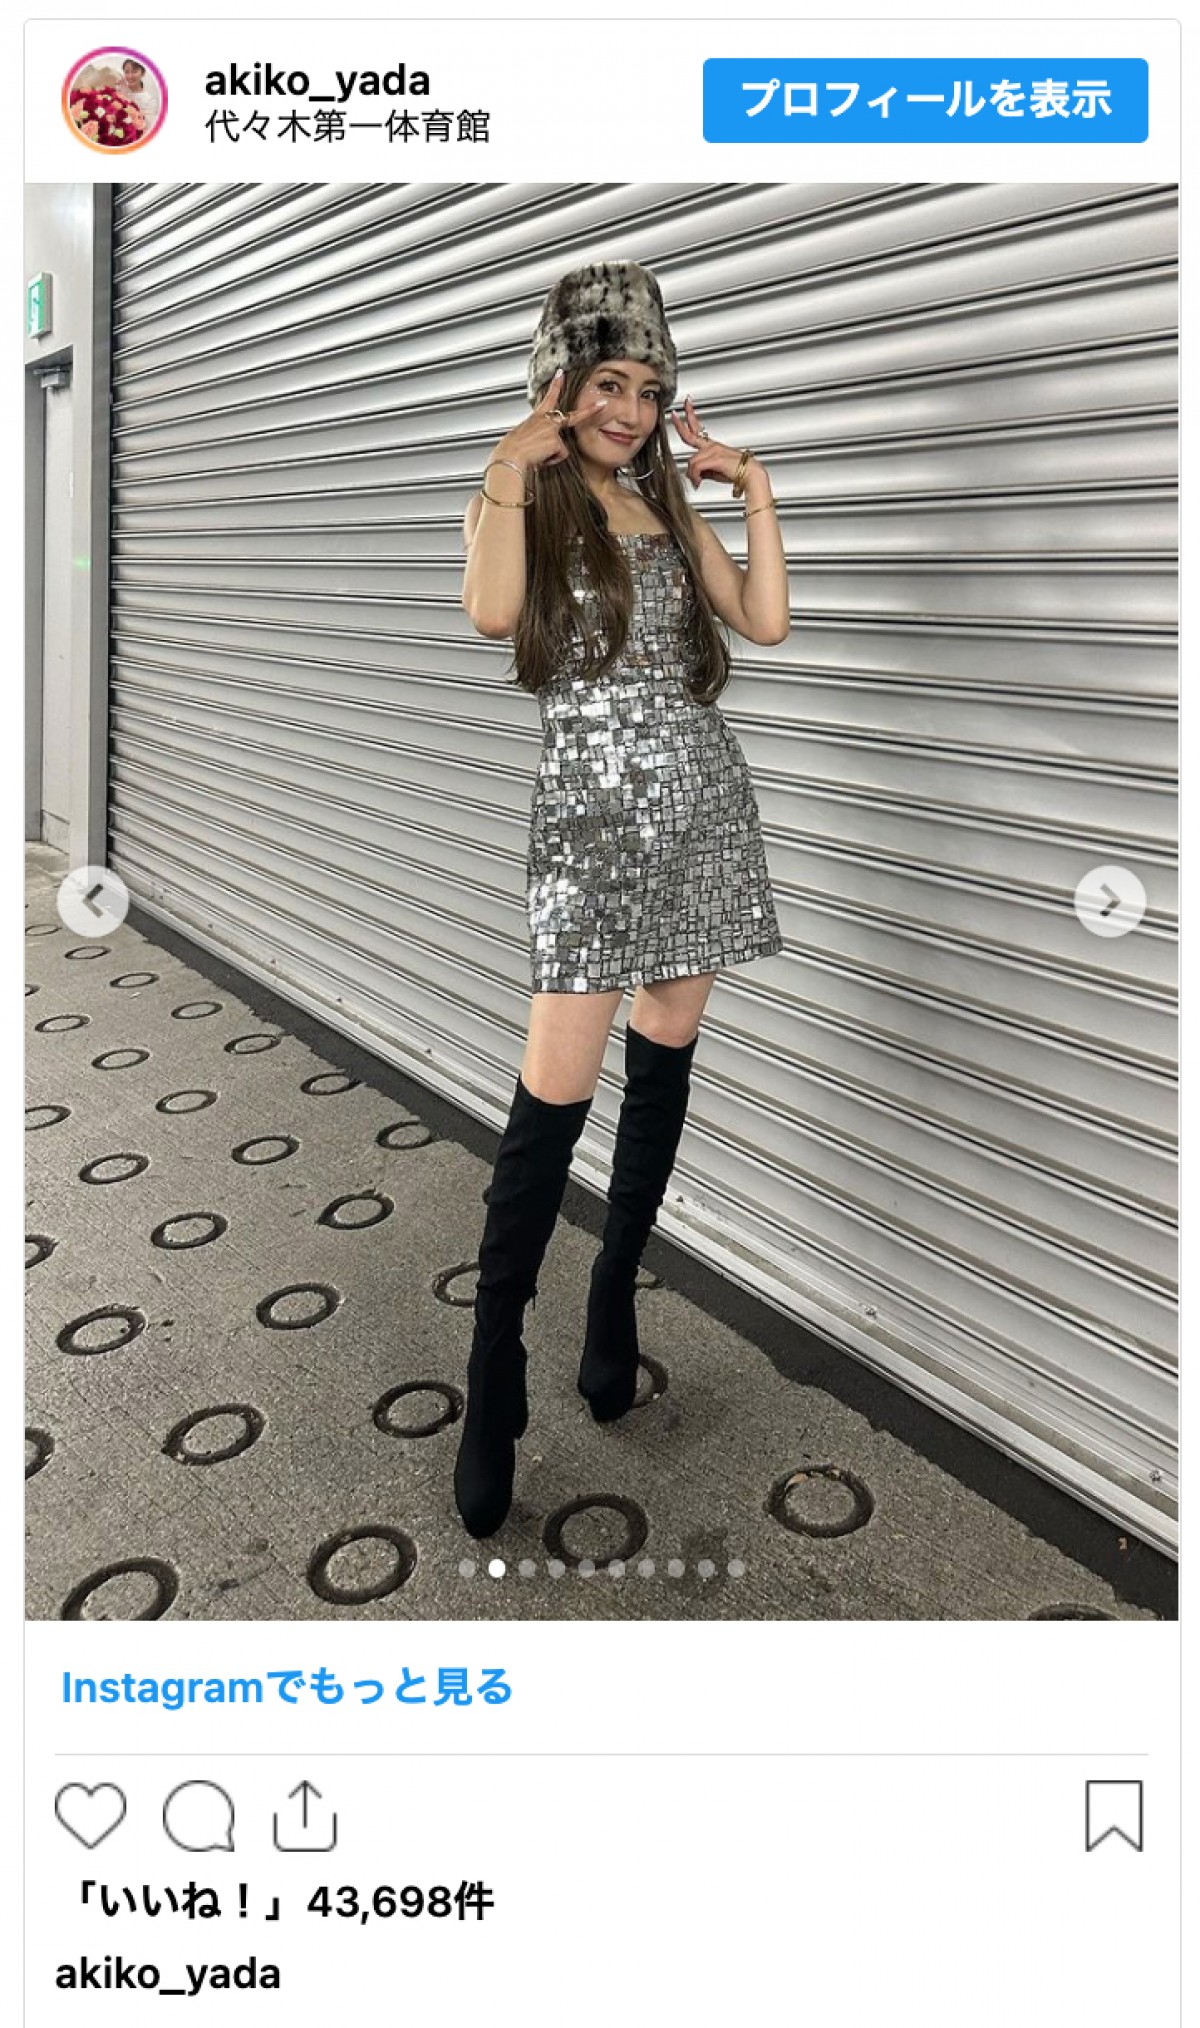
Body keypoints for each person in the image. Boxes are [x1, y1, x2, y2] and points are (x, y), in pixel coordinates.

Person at [453, 259, 789, 1537]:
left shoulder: (663, 505)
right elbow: (492, 613)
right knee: (551, 1103)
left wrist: (755, 493)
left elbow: (763, 622)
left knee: (662, 1069)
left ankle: (613, 1297)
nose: (630, 411)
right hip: (589, 828)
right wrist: (508, 456)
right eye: (607, 382)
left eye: (648, 388)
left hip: (702, 810)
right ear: (561, 382)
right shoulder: (523, 494)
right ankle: (493, 1370)